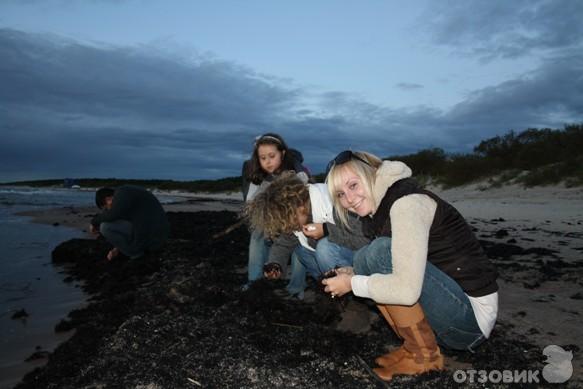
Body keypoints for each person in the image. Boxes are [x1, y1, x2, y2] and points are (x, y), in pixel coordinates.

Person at [322, 150, 498, 381]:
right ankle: (412, 346)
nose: (349, 199)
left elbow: (407, 290)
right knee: (364, 258)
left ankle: (424, 357)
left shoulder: (406, 204)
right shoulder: (384, 210)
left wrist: (352, 284)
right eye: (341, 194)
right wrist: (354, 272)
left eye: (353, 185)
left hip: (470, 322)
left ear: (372, 174)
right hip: (451, 309)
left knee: (378, 252)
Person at [244, 173, 369, 281]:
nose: (287, 227)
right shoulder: (296, 216)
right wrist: (275, 263)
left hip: (362, 254)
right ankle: (327, 284)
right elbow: (283, 243)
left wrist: (326, 230)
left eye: (288, 222)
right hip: (339, 257)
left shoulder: (330, 199)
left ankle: (348, 284)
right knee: (301, 250)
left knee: (324, 247)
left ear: (300, 204)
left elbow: (365, 235)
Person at [241, 133, 310, 297]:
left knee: (300, 240)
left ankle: (296, 287)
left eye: (272, 156)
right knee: (257, 234)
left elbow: (304, 188)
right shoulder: (258, 177)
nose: (267, 161)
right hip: (273, 222)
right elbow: (251, 202)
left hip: (295, 220)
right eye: (263, 158)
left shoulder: (297, 171)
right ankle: (255, 281)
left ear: (283, 153)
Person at [90, 185, 170, 261]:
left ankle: (135, 254)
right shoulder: (127, 195)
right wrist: (117, 249)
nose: (107, 211)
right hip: (158, 236)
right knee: (110, 224)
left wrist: (93, 222)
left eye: (106, 208)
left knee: (105, 227)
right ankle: (134, 251)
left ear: (108, 200)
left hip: (154, 239)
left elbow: (112, 215)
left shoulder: (122, 193)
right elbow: (135, 223)